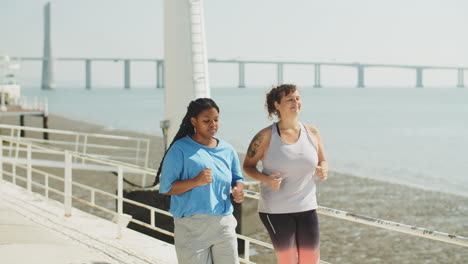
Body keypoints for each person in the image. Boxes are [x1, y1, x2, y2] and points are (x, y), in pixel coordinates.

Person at [243, 84, 328, 264]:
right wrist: (266, 179)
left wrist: (323, 169)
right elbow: (248, 166)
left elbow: (322, 160)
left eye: (297, 98)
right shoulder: (265, 136)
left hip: (307, 208)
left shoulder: (312, 132)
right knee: (288, 261)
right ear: (277, 105)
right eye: (289, 99)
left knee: (310, 260)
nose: (295, 102)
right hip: (276, 211)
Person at [156, 98, 245, 264]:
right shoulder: (179, 149)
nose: (213, 124)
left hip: (224, 224)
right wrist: (196, 181)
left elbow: (238, 179)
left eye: (216, 120)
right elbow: (166, 187)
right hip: (191, 227)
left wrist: (238, 190)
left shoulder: (227, 149)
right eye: (206, 120)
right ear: (193, 121)